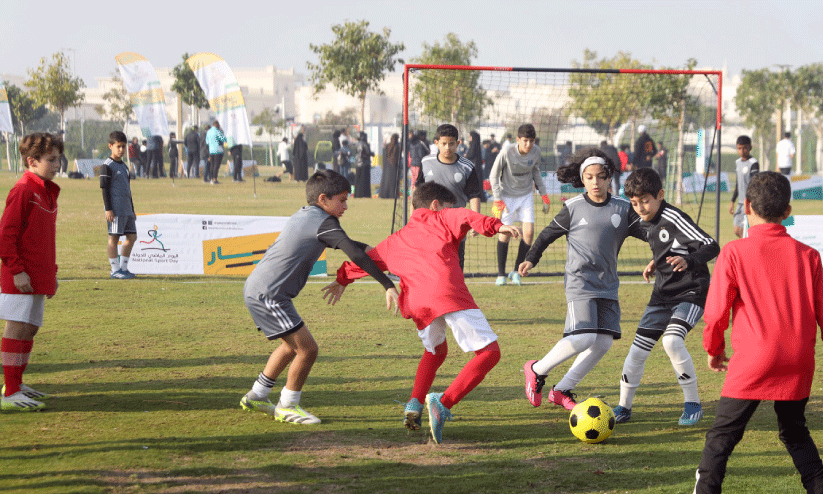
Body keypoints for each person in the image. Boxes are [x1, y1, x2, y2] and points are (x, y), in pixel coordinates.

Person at [325, 181, 522, 443]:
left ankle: (414, 404)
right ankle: (443, 403)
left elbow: (367, 260)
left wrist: (342, 278)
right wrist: (497, 226)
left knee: (435, 351)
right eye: (449, 207)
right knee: (489, 353)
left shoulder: (397, 238)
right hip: (447, 293)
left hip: (418, 304)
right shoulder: (442, 216)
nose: (453, 211)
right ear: (435, 205)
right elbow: (466, 215)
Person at [694, 171, 823, 493]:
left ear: (747, 206)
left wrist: (714, 349)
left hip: (755, 359)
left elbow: (716, 313)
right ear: (787, 212)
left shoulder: (735, 252)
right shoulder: (811, 257)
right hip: (799, 360)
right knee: (794, 431)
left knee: (722, 436)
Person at [239, 169, 398, 425]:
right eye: (342, 200)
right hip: (269, 295)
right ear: (323, 199)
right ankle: (288, 406)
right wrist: (387, 284)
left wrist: (374, 250)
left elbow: (349, 244)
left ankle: (257, 395)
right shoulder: (324, 223)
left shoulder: (308, 215)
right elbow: (353, 254)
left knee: (291, 346)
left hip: (261, 289)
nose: (346, 206)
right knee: (308, 350)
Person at [519, 147, 645, 410]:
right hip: (580, 282)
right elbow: (545, 235)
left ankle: (562, 389)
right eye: (589, 177)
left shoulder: (623, 209)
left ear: (609, 178)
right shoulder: (572, 208)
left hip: (608, 285)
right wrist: (532, 258)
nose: (595, 182)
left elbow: (650, 232)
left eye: (600, 177)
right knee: (585, 336)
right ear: (582, 179)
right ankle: (537, 369)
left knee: (603, 342)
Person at [614, 167, 719, 426]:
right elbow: (665, 244)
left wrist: (688, 259)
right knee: (637, 351)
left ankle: (693, 404)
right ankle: (623, 408)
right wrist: (655, 262)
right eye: (634, 203)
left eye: (645, 201)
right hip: (662, 294)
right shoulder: (643, 220)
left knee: (672, 341)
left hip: (691, 291)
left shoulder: (674, 216)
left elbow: (711, 244)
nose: (639, 208)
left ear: (660, 195)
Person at [0, 132, 61, 412]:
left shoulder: (46, 190)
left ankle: (18, 383)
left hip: (38, 274)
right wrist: (17, 270)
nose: (57, 164)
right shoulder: (24, 189)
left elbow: (45, 238)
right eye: (51, 159)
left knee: (30, 328)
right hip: (20, 276)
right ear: (31, 161)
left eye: (58, 158)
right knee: (17, 326)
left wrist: (52, 273)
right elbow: (6, 235)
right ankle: (10, 390)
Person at [489, 123, 551, 286]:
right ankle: (501, 274)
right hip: (507, 196)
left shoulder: (536, 152)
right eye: (525, 141)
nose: (528, 144)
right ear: (517, 140)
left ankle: (516, 271)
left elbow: (535, 171)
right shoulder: (507, 151)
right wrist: (497, 198)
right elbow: (494, 175)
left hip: (526, 195)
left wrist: (543, 194)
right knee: (505, 233)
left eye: (531, 141)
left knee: (528, 233)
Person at [415, 124, 483, 270]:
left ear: (458, 143)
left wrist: (476, 220)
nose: (447, 147)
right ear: (436, 143)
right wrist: (413, 218)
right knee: (431, 268)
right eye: (444, 143)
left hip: (456, 226)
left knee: (455, 270)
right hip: (431, 225)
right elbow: (417, 192)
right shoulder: (426, 162)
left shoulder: (467, 166)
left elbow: (474, 195)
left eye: (451, 143)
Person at [100, 131, 137, 280]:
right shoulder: (107, 166)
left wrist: (132, 209)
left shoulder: (125, 167)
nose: (121, 150)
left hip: (126, 209)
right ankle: (115, 270)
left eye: (123, 146)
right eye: (118, 147)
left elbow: (128, 190)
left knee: (132, 237)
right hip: (115, 209)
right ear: (111, 146)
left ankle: (124, 268)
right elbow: (104, 189)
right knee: (114, 238)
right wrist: (108, 209)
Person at [729, 135, 759, 239]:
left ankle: (748, 249)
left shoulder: (753, 163)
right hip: (740, 203)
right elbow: (738, 184)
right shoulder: (738, 163)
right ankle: (750, 245)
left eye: (745, 148)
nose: (742, 151)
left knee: (742, 230)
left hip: (749, 202)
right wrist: (732, 201)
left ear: (750, 148)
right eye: (739, 148)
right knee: (737, 230)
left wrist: (752, 201)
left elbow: (755, 184)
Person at [378, 133, 400, 199]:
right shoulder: (397, 146)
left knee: (386, 181)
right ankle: (392, 195)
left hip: (387, 166)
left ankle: (384, 194)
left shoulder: (387, 146)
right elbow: (397, 157)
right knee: (393, 182)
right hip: (393, 166)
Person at [464, 131, 484, 201]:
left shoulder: (473, 145)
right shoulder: (477, 145)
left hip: (474, 167)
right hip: (477, 167)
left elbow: (471, 154)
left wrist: (466, 156)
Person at [205, 121, 226, 185]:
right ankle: (215, 179)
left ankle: (211, 178)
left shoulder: (208, 131)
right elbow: (223, 139)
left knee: (212, 165)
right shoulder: (217, 131)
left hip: (211, 150)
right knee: (216, 166)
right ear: (216, 124)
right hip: (218, 150)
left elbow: (207, 142)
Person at [353, 132, 373, 198]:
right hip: (364, 164)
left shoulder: (357, 144)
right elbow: (366, 153)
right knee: (365, 180)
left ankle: (357, 194)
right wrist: (371, 154)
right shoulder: (365, 144)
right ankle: (365, 194)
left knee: (358, 180)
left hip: (358, 164)